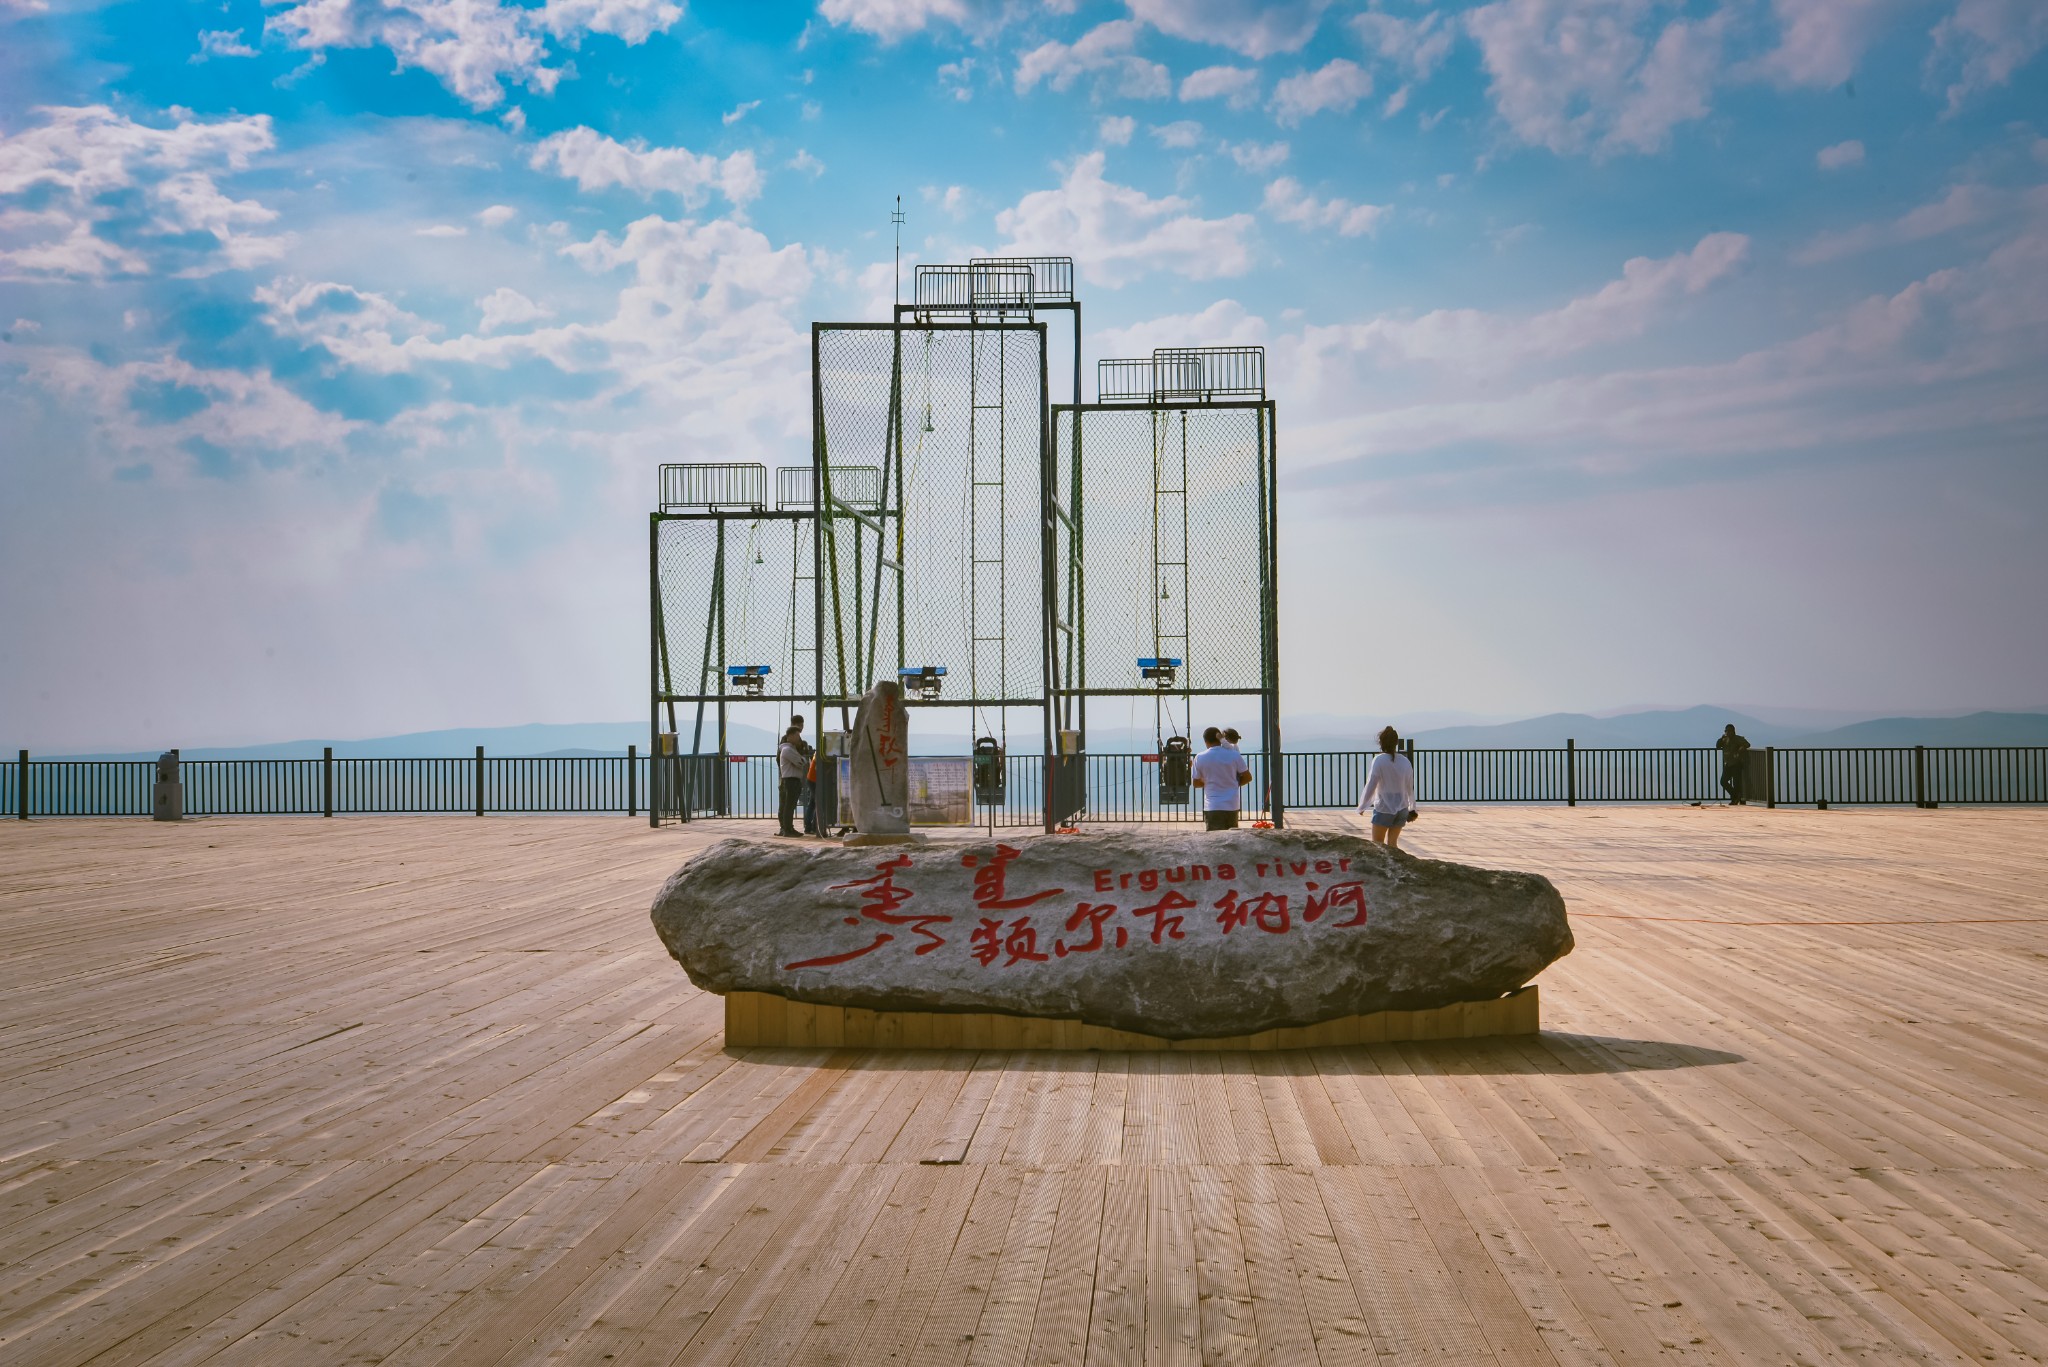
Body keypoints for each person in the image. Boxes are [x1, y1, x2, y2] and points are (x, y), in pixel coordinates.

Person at [1357, 725, 1415, 848]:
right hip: (1402, 808)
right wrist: (1412, 808)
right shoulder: (1405, 761)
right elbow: (1410, 787)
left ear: (1381, 743)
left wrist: (1362, 806)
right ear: (1396, 743)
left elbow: (1371, 784)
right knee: (1393, 845)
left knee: (1378, 845)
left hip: (1384, 807)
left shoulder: (1379, 760)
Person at [1191, 725, 1251, 831]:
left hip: (1212, 806)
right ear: (1220, 739)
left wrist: (1207, 782)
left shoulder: (1199, 757)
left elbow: (1195, 783)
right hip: (1232, 805)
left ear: (1205, 741)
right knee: (1232, 843)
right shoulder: (1234, 754)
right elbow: (1248, 777)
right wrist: (1234, 783)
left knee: (1213, 843)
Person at [776, 716, 813, 836]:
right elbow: (800, 760)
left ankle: (787, 827)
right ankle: (785, 828)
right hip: (788, 776)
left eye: (801, 725)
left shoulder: (801, 742)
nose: (800, 728)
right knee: (786, 804)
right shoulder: (786, 744)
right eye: (798, 725)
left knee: (789, 804)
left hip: (794, 775)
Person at [1716, 723, 1751, 806]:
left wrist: (1741, 748)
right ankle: (1735, 796)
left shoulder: (1738, 739)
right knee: (1723, 781)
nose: (1727, 732)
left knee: (1736, 783)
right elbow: (1717, 746)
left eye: (1729, 731)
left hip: (1736, 763)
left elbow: (1747, 744)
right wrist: (1721, 739)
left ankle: (1734, 799)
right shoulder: (1724, 739)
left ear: (1733, 731)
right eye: (1726, 731)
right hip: (1728, 763)